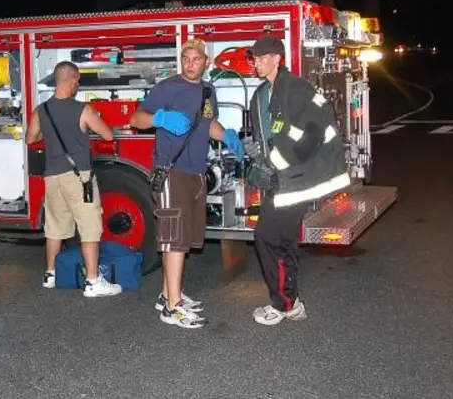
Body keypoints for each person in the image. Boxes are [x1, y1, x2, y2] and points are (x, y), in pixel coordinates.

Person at [131, 38, 244, 328]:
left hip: (197, 172)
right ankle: (173, 308)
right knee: (174, 241)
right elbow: (137, 118)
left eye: (196, 59)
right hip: (172, 171)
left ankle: (168, 294)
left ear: (206, 62)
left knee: (184, 239)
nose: (190, 63)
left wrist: (227, 135)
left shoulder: (207, 91)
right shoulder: (167, 88)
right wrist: (160, 118)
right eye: (186, 58)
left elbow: (208, 124)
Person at [244, 36, 350, 326]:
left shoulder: (296, 90)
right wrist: (257, 152)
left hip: (296, 181)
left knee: (267, 237)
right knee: (284, 241)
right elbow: (274, 136)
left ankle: (284, 304)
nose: (256, 63)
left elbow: (311, 138)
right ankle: (291, 303)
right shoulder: (264, 94)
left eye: (262, 58)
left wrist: (273, 164)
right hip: (283, 180)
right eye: (254, 58)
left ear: (277, 59)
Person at [26, 61, 122, 297]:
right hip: (79, 177)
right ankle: (93, 281)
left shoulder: (41, 110)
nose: (78, 85)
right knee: (89, 227)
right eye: (77, 81)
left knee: (54, 227)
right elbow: (108, 135)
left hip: (52, 177)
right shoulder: (83, 110)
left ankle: (51, 274)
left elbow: (30, 138)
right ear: (70, 80)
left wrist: (48, 131)